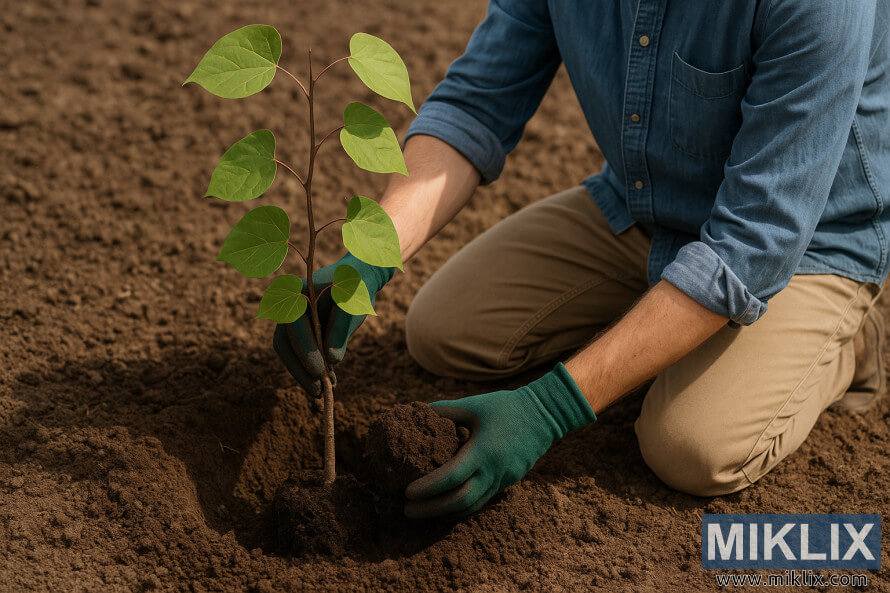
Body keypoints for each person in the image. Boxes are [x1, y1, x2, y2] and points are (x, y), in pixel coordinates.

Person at [274, 0, 890, 518]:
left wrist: (549, 407)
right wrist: (369, 260)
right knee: (443, 331)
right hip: (644, 207)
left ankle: (849, 341)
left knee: (691, 449)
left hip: (805, 243)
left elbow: (754, 241)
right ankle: (662, 320)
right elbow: (475, 104)